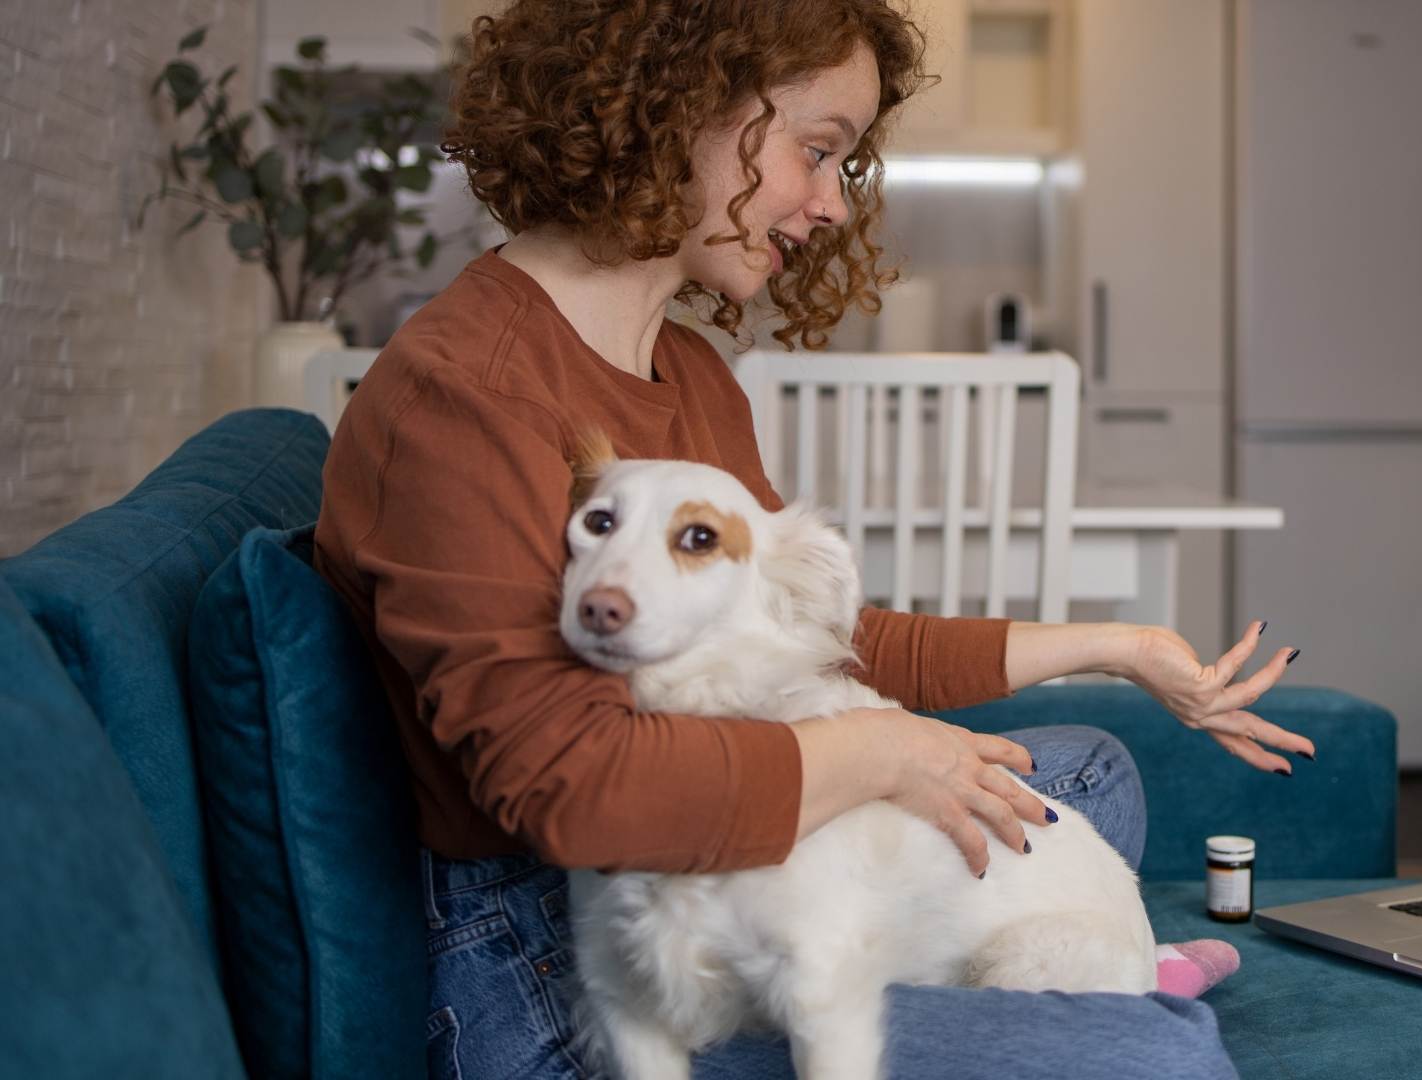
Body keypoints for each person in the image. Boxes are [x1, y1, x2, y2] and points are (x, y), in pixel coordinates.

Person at [311, 2, 1310, 1076]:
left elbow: (812, 637)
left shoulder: (688, 371)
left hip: (732, 869)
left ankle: (1052, 985)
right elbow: (575, 791)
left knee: (1090, 777)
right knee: (1157, 1058)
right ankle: (1109, 1004)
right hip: (556, 953)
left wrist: (1118, 648)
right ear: (677, 104)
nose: (834, 203)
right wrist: (885, 752)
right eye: (819, 149)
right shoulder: (467, 391)